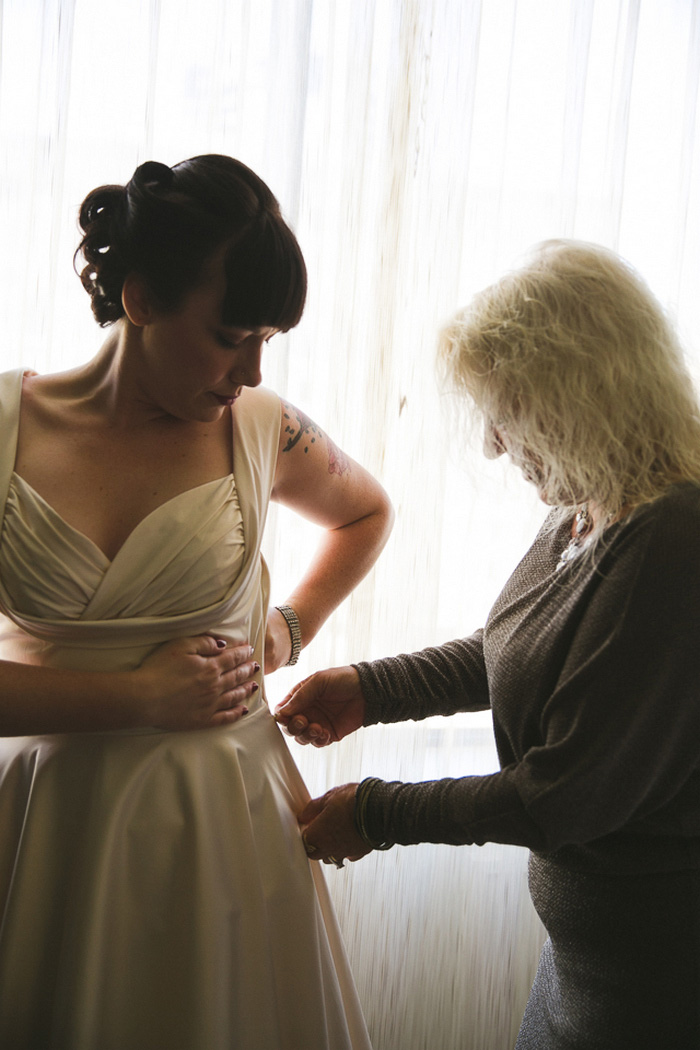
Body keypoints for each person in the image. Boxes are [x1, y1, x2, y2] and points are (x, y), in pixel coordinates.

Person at [0, 154, 393, 1050]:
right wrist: (138, 698)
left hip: (221, 832)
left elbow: (367, 512)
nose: (252, 369)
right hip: (42, 832)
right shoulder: (5, 433)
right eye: (230, 335)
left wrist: (287, 631)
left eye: (267, 340)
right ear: (140, 298)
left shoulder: (261, 429)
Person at [276, 240, 700, 1049]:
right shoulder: (589, 507)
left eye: (507, 413)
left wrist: (376, 814)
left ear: (583, 395)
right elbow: (510, 648)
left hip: (658, 976)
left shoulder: (675, 539)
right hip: (585, 964)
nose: (493, 446)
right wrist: (373, 688)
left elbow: (562, 797)